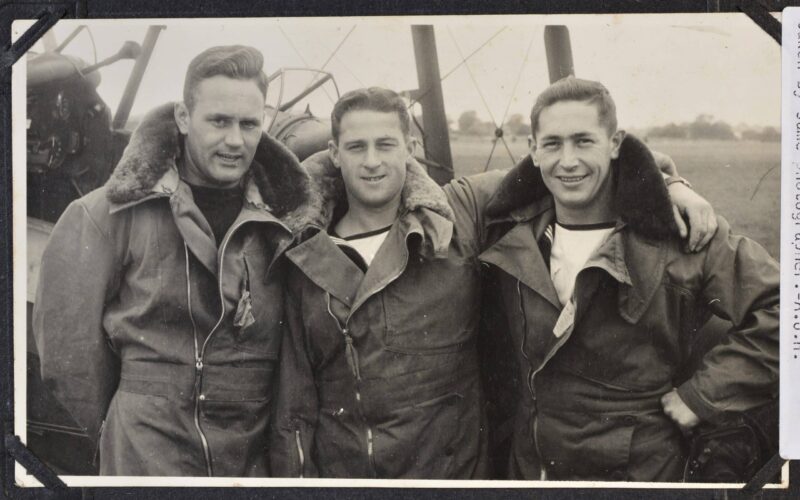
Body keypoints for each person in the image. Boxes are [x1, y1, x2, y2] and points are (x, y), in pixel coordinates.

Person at [270, 86, 717, 479]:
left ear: (408, 146)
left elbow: (566, 166)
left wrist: (671, 182)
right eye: (356, 147)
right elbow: (295, 400)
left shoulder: (459, 212)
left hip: (454, 472)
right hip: (348, 472)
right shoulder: (302, 249)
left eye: (386, 144)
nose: (372, 162)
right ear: (333, 153)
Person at [458, 77, 779, 481]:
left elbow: (785, 307)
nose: (568, 160)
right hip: (532, 470)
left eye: (584, 141)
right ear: (533, 151)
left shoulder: (678, 234)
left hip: (639, 474)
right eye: (553, 143)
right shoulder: (508, 228)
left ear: (615, 144)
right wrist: (666, 179)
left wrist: (702, 395)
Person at [33, 45, 310, 476]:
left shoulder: (291, 220)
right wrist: (125, 429)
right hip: (144, 456)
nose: (234, 140)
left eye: (248, 124)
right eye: (218, 121)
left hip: (253, 462)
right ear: (183, 117)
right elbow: (68, 360)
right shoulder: (103, 216)